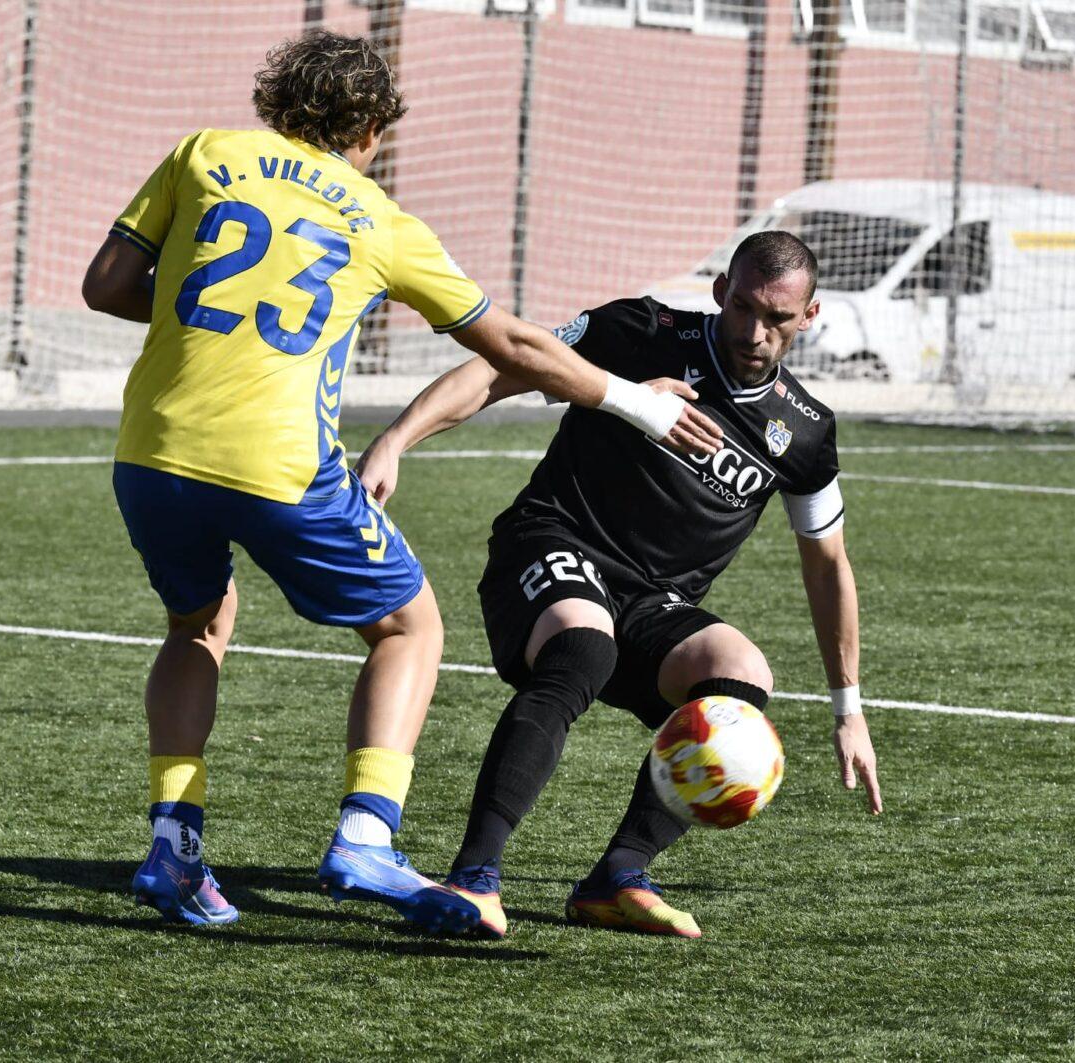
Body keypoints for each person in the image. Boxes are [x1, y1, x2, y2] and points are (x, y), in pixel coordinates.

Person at [80, 29, 721, 929]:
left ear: (279, 98)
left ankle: (174, 845)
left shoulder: (205, 152)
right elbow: (518, 349)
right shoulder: (380, 221)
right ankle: (367, 834)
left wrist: (215, 309)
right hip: (279, 464)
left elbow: (105, 284)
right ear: (372, 125)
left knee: (198, 622)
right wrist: (635, 402)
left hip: (149, 455)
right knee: (408, 624)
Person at [355, 230, 882, 940]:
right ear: (722, 292)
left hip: (651, 600)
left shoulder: (807, 430)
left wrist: (848, 707)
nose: (757, 332)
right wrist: (396, 438)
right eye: (745, 309)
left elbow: (828, 564)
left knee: (741, 679)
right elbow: (502, 366)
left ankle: (618, 875)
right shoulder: (639, 332)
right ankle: (473, 877)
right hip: (548, 542)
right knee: (582, 644)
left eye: (779, 319)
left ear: (809, 316)